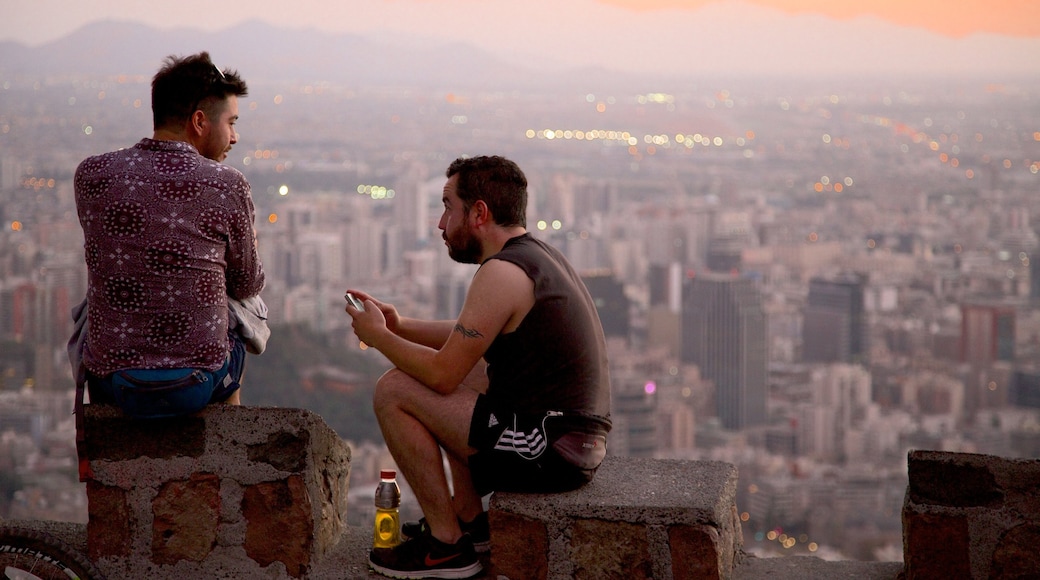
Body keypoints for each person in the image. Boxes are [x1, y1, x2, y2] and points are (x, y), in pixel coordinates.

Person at [345, 155, 611, 579]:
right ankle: (471, 522)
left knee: (396, 389)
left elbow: (440, 375)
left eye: (449, 206)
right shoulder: (535, 257)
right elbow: (473, 336)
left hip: (550, 449)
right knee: (469, 373)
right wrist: (402, 326)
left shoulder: (501, 271)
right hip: (569, 440)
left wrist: (378, 337)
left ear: (480, 213)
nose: (440, 222)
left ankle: (447, 547)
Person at [71, 51, 265, 421]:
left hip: (113, 380)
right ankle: (229, 440)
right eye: (232, 123)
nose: (235, 137)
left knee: (90, 307)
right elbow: (247, 282)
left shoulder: (92, 174)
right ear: (199, 121)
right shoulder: (226, 185)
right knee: (246, 307)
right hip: (199, 380)